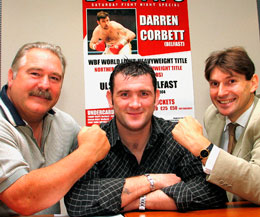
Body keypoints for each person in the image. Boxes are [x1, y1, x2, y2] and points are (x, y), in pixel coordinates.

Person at [64, 60, 227, 217]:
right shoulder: (93, 140)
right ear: (110, 98)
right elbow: (78, 201)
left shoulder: (178, 136)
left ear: (156, 97)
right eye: (124, 94)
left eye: (144, 94)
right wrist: (153, 181)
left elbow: (213, 193)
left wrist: (137, 201)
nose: (135, 104)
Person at [0, 42, 110, 216]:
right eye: (35, 74)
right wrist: (88, 151)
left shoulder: (64, 123)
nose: (44, 85)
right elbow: (23, 198)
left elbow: (99, 176)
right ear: (11, 77)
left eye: (54, 78)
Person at [172, 46, 260, 204]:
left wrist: (204, 150)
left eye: (231, 82)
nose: (221, 93)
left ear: (253, 83)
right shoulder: (212, 116)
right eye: (214, 84)